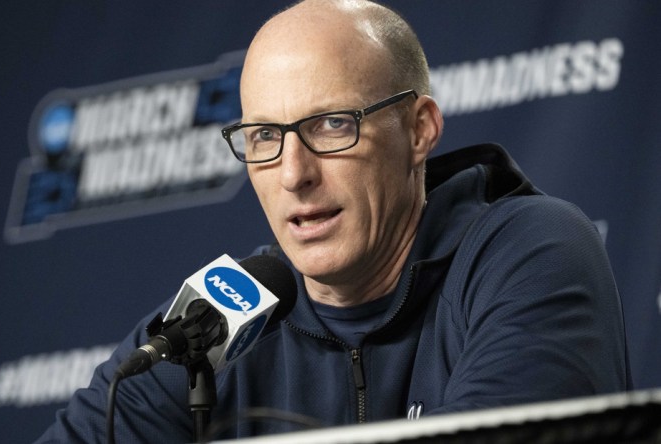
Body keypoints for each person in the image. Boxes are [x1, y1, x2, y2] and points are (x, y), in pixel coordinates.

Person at [36, 0, 630, 442]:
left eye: (331, 125)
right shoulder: (222, 320)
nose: (295, 174)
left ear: (419, 129)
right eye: (265, 136)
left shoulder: (530, 249)